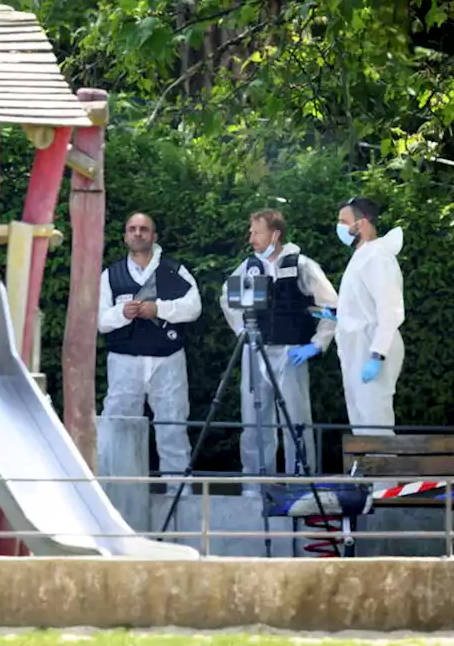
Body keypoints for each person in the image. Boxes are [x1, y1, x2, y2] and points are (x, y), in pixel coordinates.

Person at [219, 210, 338, 494]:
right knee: (255, 419)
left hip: (291, 350)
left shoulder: (302, 266)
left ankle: (300, 485)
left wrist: (318, 343)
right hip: (256, 351)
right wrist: (241, 332)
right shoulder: (250, 267)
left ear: (274, 234)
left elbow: (332, 307)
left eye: (256, 232)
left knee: (296, 420)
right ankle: (256, 486)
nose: (251, 238)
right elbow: (227, 299)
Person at [98, 213, 202, 483]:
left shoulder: (173, 270)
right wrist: (123, 313)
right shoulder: (111, 274)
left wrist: (160, 309)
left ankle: (178, 495)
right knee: (118, 428)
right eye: (132, 229)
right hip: (124, 361)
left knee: (173, 429)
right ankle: (116, 495)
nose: (137, 233)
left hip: (167, 360)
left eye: (144, 229)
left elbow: (194, 308)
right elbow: (99, 321)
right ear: (125, 236)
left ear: (154, 236)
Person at [318, 197, 404, 438]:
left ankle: (382, 476)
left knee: (376, 422)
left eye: (344, 222)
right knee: (363, 425)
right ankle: (371, 475)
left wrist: (378, 354)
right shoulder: (362, 256)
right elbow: (363, 304)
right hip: (359, 349)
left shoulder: (378, 257)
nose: (340, 228)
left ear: (362, 223)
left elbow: (389, 310)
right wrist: (337, 314)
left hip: (371, 348)